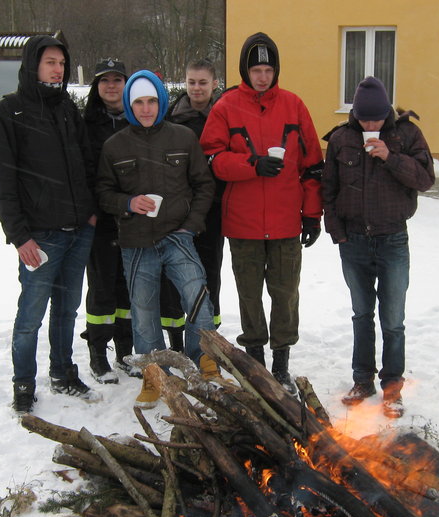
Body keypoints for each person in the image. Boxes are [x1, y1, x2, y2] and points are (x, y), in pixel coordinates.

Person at [200, 32, 324, 393]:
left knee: (286, 293)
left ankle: (281, 361)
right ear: (245, 70)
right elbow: (214, 159)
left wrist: (312, 215)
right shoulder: (225, 107)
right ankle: (255, 358)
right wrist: (252, 164)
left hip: (286, 221)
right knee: (249, 294)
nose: (262, 77)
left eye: (268, 69)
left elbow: (313, 167)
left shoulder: (294, 106)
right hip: (243, 222)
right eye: (256, 69)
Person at [0, 35, 99, 413]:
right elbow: (1, 183)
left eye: (62, 64)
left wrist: (91, 210)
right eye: (50, 62)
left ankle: (64, 372)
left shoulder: (66, 107)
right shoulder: (8, 114)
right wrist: (20, 237)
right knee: (31, 315)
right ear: (33, 64)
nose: (57, 69)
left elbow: (85, 164)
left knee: (67, 310)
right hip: (40, 237)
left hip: (78, 229)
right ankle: (23, 382)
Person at [96, 69, 219, 409]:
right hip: (136, 243)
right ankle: (155, 374)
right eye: (138, 102)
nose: (146, 108)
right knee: (144, 310)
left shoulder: (182, 138)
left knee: (197, 297)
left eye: (152, 101)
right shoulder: (114, 146)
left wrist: (190, 226)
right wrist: (127, 203)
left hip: (178, 237)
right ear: (129, 105)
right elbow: (104, 192)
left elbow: (204, 185)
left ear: (161, 102)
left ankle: (204, 361)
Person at [321, 76, 435, 418]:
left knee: (393, 320)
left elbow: (426, 179)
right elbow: (328, 189)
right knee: (361, 314)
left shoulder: (407, 135)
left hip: (392, 239)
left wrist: (391, 156)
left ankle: (392, 388)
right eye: (365, 119)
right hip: (353, 241)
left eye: (377, 119)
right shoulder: (341, 138)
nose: (371, 125)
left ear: (387, 113)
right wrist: (337, 232)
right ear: (356, 114)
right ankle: (362, 380)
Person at [79, 58, 136, 384]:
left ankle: (124, 352)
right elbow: (80, 171)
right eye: (105, 81)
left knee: (128, 288)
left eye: (118, 80)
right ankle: (98, 355)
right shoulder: (84, 124)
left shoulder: (137, 120)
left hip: (133, 219)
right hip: (99, 221)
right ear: (96, 87)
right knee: (101, 289)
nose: (112, 86)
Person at [160, 58, 224, 345]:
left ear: (214, 84)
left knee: (210, 275)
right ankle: (176, 340)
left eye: (203, 82)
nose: (197, 88)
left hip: (214, 211)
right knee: (174, 277)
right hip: (177, 211)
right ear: (184, 83)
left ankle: (209, 340)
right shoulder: (170, 116)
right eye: (191, 82)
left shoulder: (224, 115)